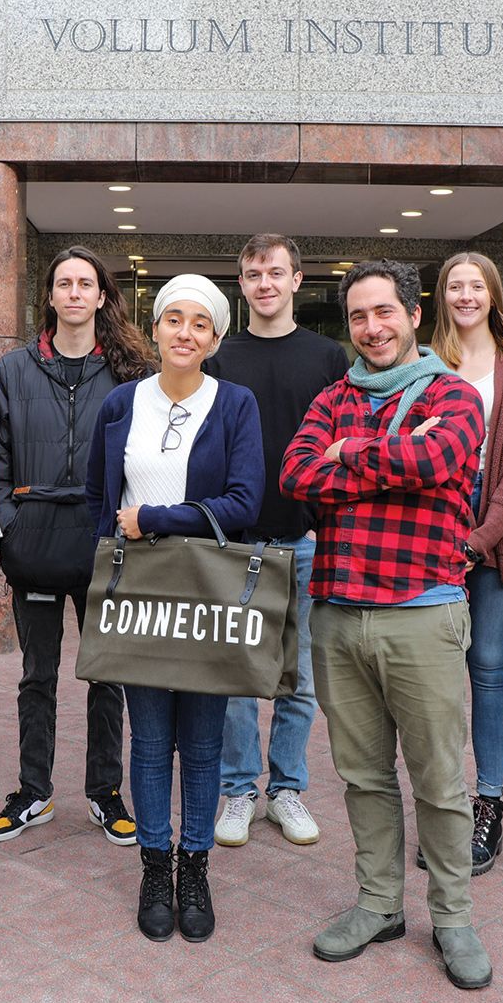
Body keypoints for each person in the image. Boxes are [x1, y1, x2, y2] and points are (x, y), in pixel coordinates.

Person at [281, 259, 493, 990]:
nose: (372, 328)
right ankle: (378, 905)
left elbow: (438, 457)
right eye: (359, 316)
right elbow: (298, 476)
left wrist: (352, 453)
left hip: (424, 613)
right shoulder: (332, 396)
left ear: (412, 312)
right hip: (338, 616)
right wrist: (381, 461)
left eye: (384, 312)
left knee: (439, 779)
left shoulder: (454, 395)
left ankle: (454, 918)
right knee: (363, 776)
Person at [85, 274, 262, 945]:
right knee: (152, 738)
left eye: (200, 324)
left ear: (215, 338)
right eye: (173, 319)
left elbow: (245, 502)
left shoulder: (236, 403)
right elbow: (103, 498)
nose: (185, 332)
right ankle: (155, 867)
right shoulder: (122, 403)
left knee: (205, 741)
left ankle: (196, 866)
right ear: (155, 328)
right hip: (138, 593)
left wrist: (154, 516)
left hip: (207, 596)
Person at [0, 246, 154, 847]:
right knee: (37, 673)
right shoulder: (13, 369)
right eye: (64, 283)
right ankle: (34, 791)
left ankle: (106, 793)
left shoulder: (132, 372)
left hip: (107, 540)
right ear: (49, 296)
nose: (75, 292)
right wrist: (7, 521)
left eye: (87, 283)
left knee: (106, 673)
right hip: (35, 538)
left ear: (102, 296)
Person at [204, 233, 348, 847]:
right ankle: (238, 792)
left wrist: (324, 518)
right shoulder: (222, 357)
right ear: (242, 284)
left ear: (296, 281)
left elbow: (346, 443)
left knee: (302, 677)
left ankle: (287, 788)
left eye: (276, 272)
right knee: (237, 675)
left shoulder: (328, 357)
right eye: (253, 273)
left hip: (305, 537)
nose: (265, 283)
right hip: (236, 542)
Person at [416, 251, 503, 875]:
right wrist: (447, 538)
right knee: (435, 679)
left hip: (498, 533)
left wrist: (480, 538)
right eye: (455, 286)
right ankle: (445, 810)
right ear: (442, 296)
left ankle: (488, 805)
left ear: (493, 294)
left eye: (477, 285)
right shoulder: (424, 362)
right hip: (431, 536)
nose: (466, 295)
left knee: (489, 668)